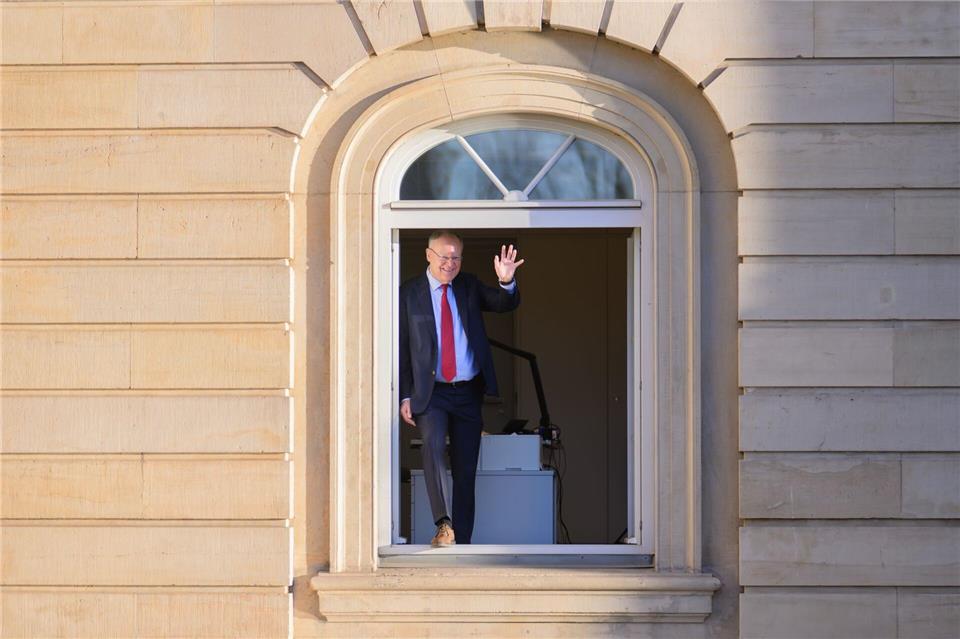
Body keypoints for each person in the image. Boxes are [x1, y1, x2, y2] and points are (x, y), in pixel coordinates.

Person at [399, 230, 524, 546]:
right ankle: (444, 525)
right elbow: (402, 348)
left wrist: (506, 281)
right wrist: (405, 394)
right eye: (444, 256)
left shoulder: (468, 285)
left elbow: (503, 303)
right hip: (432, 391)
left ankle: (463, 541)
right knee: (432, 447)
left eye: (456, 257)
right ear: (429, 255)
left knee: (465, 468)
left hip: (468, 391)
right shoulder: (409, 293)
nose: (450, 263)